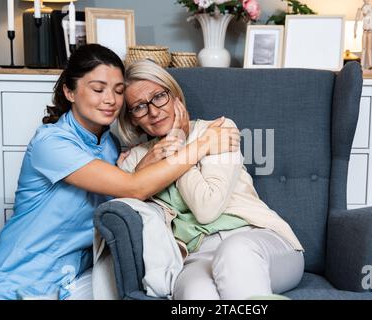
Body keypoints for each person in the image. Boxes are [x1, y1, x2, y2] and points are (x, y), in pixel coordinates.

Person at [0, 44, 239, 300]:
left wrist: (146, 162)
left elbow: (121, 196)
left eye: (118, 91)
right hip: (21, 280)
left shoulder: (110, 145)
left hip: (74, 280)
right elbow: (134, 187)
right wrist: (200, 144)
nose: (110, 99)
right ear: (69, 91)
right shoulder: (51, 143)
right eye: (98, 89)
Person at [117, 59, 305, 300]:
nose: (153, 111)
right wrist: (145, 164)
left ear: (176, 97)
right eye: (140, 107)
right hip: (195, 257)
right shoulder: (134, 160)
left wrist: (179, 146)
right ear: (132, 118)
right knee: (195, 294)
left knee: (235, 252)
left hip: (258, 241)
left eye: (159, 97)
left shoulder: (218, 130)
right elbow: (127, 201)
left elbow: (207, 208)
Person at [354, 0, 372, 71]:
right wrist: (354, 31)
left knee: (369, 48)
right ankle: (362, 64)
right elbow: (356, 20)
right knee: (364, 48)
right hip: (364, 31)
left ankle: (370, 64)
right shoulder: (361, 9)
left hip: (370, 31)